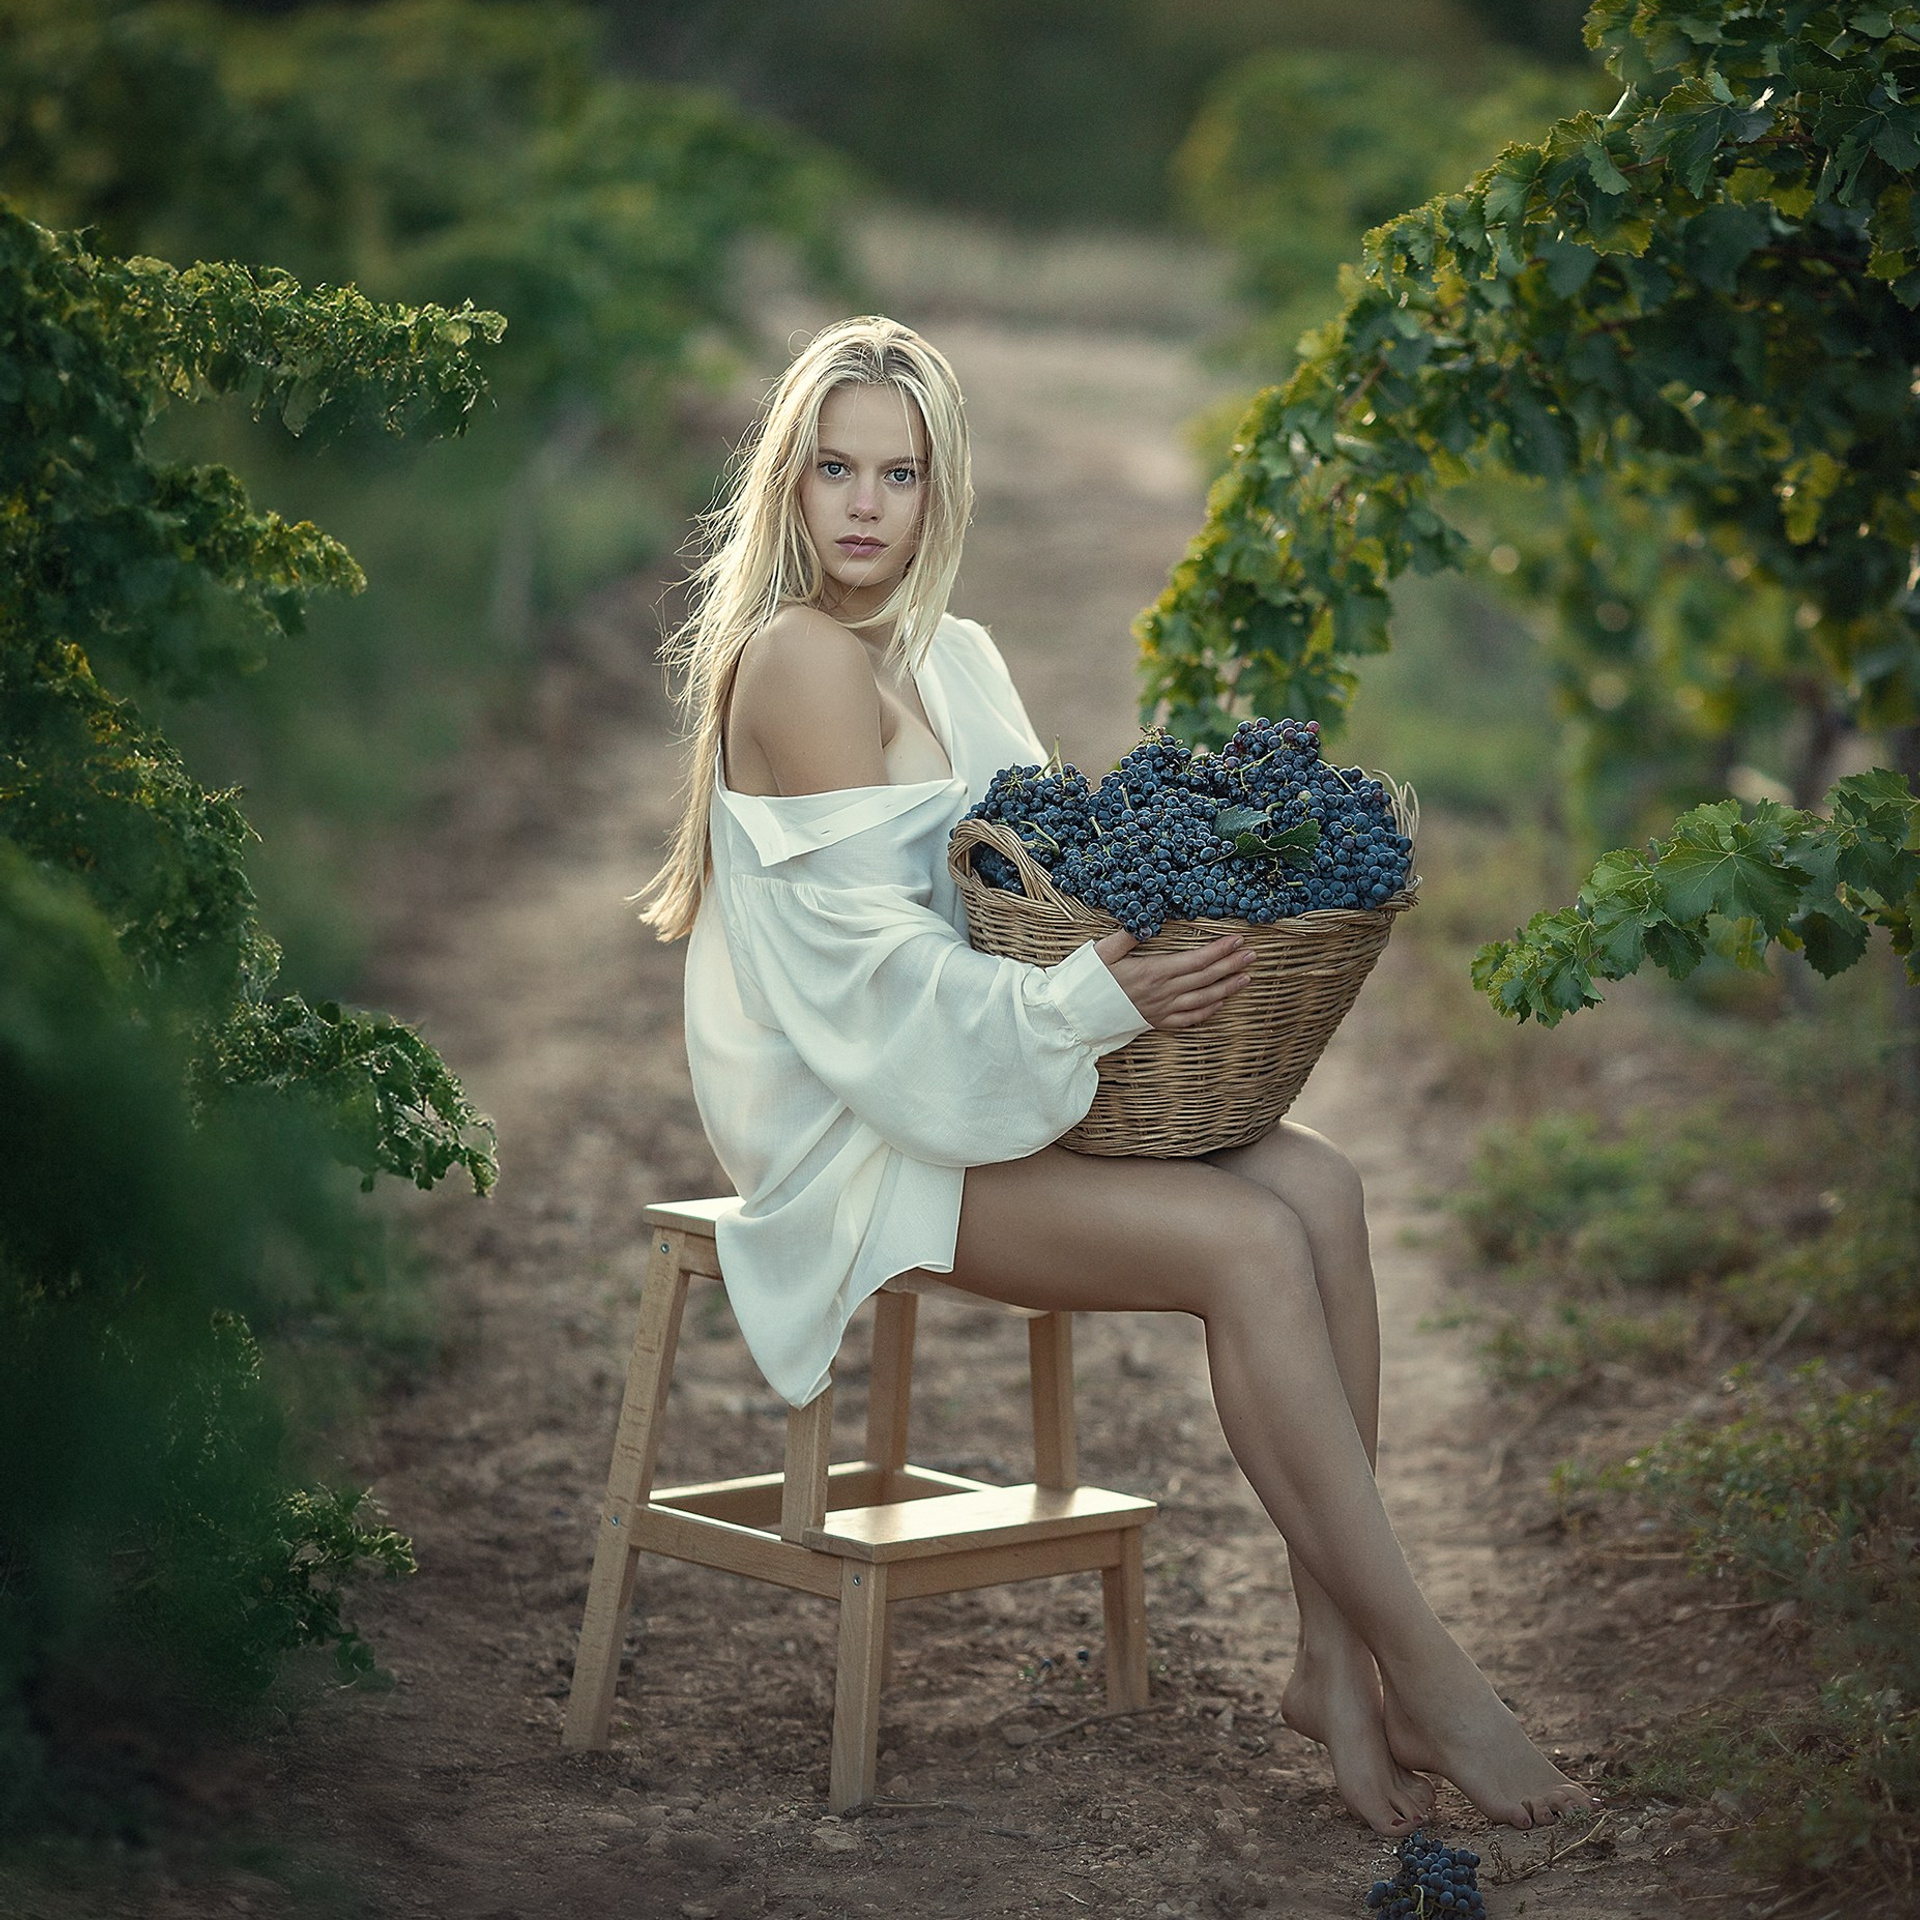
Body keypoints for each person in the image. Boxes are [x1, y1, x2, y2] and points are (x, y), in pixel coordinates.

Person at [636, 314, 1594, 1836]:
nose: (866, 505)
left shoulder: (951, 656)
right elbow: (868, 983)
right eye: (835, 468)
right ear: (789, 484)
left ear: (942, 490)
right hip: (861, 1119)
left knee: (1323, 1189)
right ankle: (1431, 1674)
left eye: (900, 473)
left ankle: (1332, 1666)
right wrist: (1092, 1000)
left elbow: (1035, 881)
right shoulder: (799, 660)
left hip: (973, 1071)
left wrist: (1172, 931)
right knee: (1245, 1243)